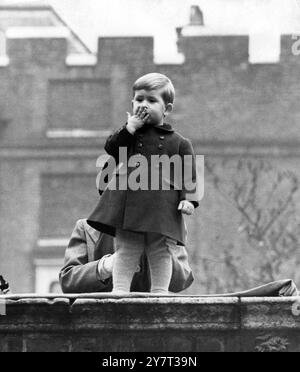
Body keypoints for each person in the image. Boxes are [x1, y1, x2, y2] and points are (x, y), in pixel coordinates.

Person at [87, 73, 200, 294]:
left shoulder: (179, 143)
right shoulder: (128, 136)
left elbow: (190, 176)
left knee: (161, 251)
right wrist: (129, 127)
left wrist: (190, 201)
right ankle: (119, 291)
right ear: (132, 104)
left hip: (162, 208)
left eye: (151, 100)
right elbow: (111, 150)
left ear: (166, 109)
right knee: (127, 248)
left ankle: (159, 293)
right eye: (139, 100)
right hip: (130, 205)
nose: (144, 105)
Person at [59, 219, 194, 293]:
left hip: (150, 323)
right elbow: (68, 280)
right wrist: (106, 266)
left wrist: (165, 253)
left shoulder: (166, 227)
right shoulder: (86, 227)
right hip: (100, 322)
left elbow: (182, 281)